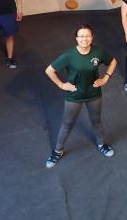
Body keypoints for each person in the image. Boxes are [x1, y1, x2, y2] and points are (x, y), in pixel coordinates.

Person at [45, 24, 118, 168]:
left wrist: (105, 78)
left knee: (96, 121)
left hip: (94, 93)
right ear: (76, 38)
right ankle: (57, 151)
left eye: (87, 36)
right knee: (67, 124)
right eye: (81, 36)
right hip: (75, 95)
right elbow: (49, 70)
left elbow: (113, 62)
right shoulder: (69, 55)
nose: (84, 39)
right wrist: (61, 85)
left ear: (92, 37)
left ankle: (102, 144)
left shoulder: (98, 52)